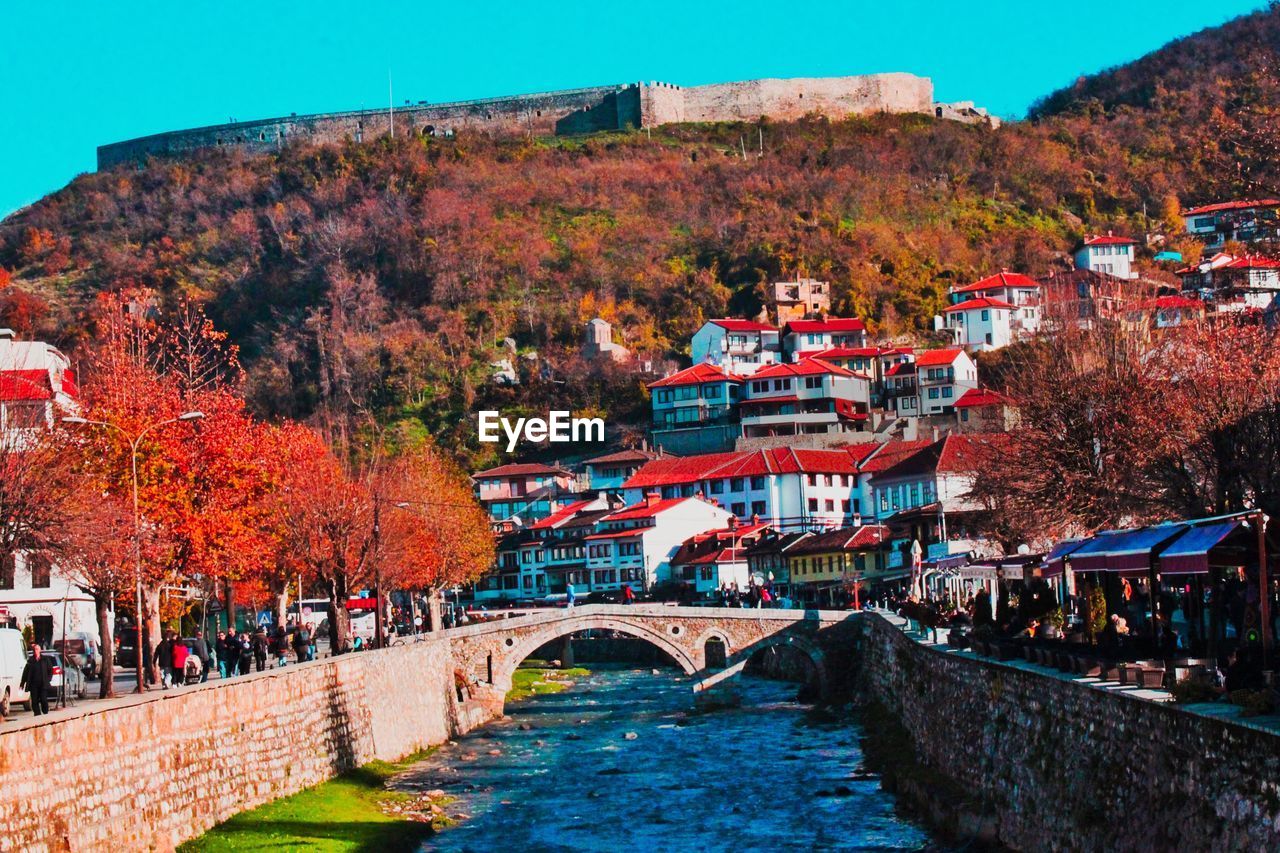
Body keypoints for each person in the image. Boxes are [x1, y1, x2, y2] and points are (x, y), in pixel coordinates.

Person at [20, 644, 55, 716]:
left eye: (37, 649)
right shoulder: (30, 661)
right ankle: (37, 713)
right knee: (34, 701)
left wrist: (48, 679)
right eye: (34, 649)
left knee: (43, 699)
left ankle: (45, 712)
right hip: (33, 684)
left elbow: (50, 670)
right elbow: (25, 673)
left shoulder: (45, 660)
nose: (35, 651)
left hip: (43, 683)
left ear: (40, 650)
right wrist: (22, 683)